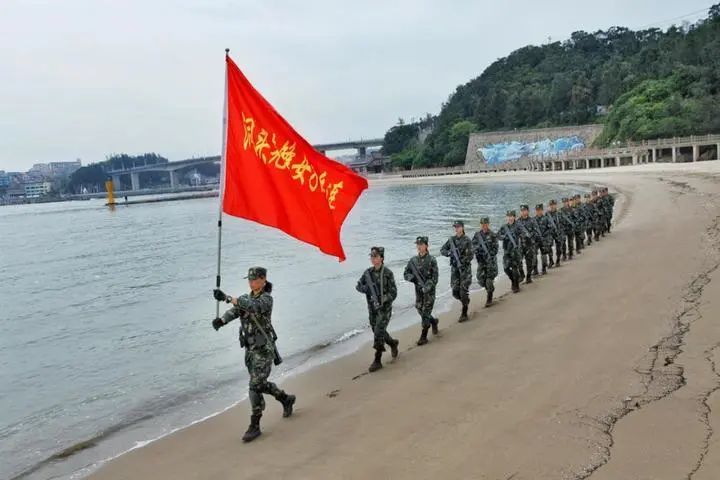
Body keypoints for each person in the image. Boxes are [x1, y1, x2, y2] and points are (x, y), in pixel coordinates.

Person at [212, 267, 295, 443]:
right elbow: (236, 311)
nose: (251, 282)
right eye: (249, 280)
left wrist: (228, 298)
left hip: (263, 349)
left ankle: (254, 424)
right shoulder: (246, 298)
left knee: (254, 385)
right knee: (260, 384)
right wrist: (222, 320)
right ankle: (285, 399)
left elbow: (252, 307)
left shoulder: (266, 299)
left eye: (254, 279)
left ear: (263, 280)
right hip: (250, 350)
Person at [356, 246, 399, 372]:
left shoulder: (387, 273)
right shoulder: (367, 273)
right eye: (372, 256)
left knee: (379, 331)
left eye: (376, 256)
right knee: (376, 330)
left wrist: (384, 298)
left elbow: (394, 292)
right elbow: (358, 286)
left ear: (381, 258)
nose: (373, 259)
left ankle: (377, 359)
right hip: (372, 308)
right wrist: (366, 290)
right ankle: (392, 343)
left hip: (384, 308)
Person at [404, 236, 439, 346]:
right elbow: (406, 273)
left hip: (429, 292)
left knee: (425, 313)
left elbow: (435, 277)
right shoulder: (413, 260)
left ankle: (423, 336)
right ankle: (433, 321)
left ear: (426, 246)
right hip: (418, 291)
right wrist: (412, 278)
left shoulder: (432, 260)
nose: (419, 247)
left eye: (421, 244)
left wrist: (428, 286)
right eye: (418, 245)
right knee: (419, 308)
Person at [441, 221, 474, 322]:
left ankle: (464, 312)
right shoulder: (451, 240)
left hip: (465, 269)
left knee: (463, 290)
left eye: (458, 227)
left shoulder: (467, 240)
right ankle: (465, 301)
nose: (456, 229)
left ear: (462, 228)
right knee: (455, 292)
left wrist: (462, 259)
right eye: (455, 227)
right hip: (455, 269)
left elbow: (471, 255)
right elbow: (442, 250)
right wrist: (450, 253)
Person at [471, 217, 499, 307]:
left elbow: (496, 249)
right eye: (482, 224)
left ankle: (489, 298)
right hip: (481, 262)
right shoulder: (477, 235)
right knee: (480, 280)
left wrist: (489, 254)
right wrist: (478, 250)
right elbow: (473, 246)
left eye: (486, 224)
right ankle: (489, 289)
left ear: (488, 224)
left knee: (489, 280)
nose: (484, 226)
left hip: (491, 262)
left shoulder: (492, 235)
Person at [497, 210, 523, 293]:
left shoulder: (518, 225)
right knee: (506, 268)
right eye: (508, 216)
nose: (509, 218)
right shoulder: (504, 227)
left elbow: (523, 233)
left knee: (515, 268)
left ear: (514, 217)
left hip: (515, 251)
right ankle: (513, 280)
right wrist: (503, 237)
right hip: (507, 251)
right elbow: (497, 235)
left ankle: (516, 285)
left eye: (511, 216)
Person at [516, 204, 539, 283]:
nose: (523, 212)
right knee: (518, 261)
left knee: (529, 262)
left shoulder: (532, 220)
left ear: (528, 211)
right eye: (522, 211)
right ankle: (522, 274)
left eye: (524, 210)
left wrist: (530, 236)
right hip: (521, 245)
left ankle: (528, 276)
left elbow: (536, 232)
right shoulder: (518, 222)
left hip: (530, 245)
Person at [534, 203, 553, 275]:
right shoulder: (533, 220)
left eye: (540, 210)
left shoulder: (546, 218)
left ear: (542, 210)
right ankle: (535, 270)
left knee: (543, 254)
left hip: (544, 239)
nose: (538, 211)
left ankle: (544, 268)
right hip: (536, 240)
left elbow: (550, 228)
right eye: (537, 210)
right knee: (534, 255)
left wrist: (545, 234)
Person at [546, 199, 563, 267]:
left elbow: (562, 223)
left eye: (554, 205)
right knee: (548, 247)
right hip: (550, 233)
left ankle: (558, 260)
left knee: (559, 247)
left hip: (558, 232)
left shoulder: (559, 213)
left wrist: (561, 232)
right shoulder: (547, 214)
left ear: (556, 205)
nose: (552, 206)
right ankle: (551, 260)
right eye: (551, 205)